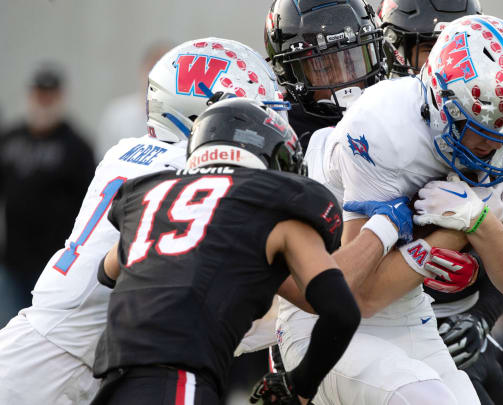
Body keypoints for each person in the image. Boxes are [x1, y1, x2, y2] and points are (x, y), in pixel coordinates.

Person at [275, 14, 503, 405]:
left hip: (407, 308)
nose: (498, 149)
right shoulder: (383, 128)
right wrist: (455, 230)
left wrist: (478, 221)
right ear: (442, 104)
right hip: (323, 318)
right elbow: (357, 299)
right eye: (484, 130)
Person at [0, 38, 287, 405]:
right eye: (250, 114)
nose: (265, 128)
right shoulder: (188, 173)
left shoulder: (128, 152)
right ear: (203, 113)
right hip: (60, 365)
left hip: (58, 347)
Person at [90, 98, 363, 405]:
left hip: (112, 381)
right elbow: (341, 311)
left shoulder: (152, 196)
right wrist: (300, 385)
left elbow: (108, 271)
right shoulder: (276, 207)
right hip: (178, 375)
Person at [378, 2, 503, 404]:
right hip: (386, 336)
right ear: (394, 50)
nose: (447, 62)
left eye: (459, 48)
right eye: (430, 48)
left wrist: (481, 318)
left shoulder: (488, 129)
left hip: (461, 327)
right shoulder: (371, 128)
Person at [0, 65, 96, 311]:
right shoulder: (11, 139)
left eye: (50, 95)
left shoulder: (76, 146)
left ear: (60, 97)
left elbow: (90, 205)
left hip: (53, 264)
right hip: (11, 260)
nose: (44, 101)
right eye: (39, 94)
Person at [265, 0, 385, 150]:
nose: (344, 79)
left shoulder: (397, 109)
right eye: (324, 68)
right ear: (289, 74)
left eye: (353, 62)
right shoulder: (281, 133)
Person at [94, 42, 172, 160]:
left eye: (166, 70)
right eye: (152, 68)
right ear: (141, 70)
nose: (158, 76)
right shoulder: (117, 115)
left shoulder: (187, 118)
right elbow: (104, 160)